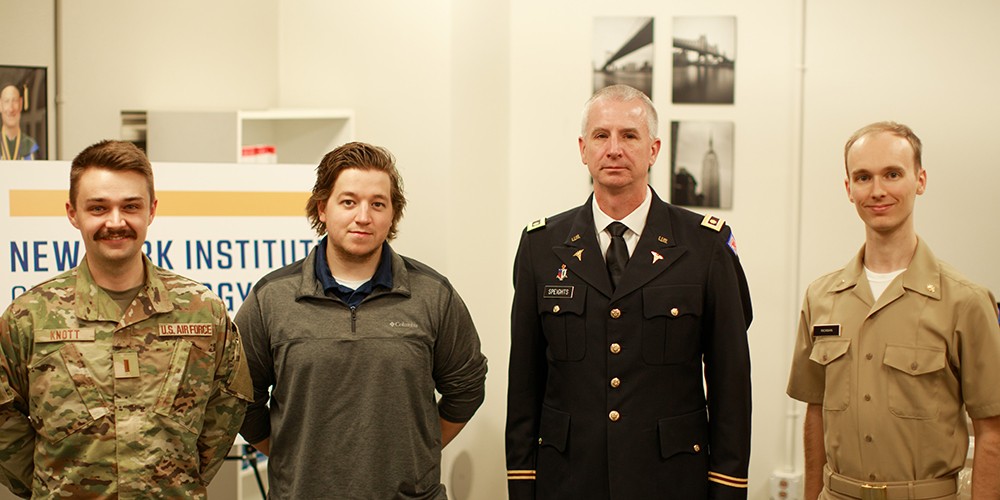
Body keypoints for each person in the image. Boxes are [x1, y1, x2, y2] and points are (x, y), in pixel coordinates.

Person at [506, 84, 753, 499]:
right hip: (568, 480)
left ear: (654, 150)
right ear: (583, 149)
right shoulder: (541, 247)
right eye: (602, 136)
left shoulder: (705, 246)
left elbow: (731, 384)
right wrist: (522, 485)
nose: (614, 149)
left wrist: (727, 488)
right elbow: (525, 382)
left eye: (630, 135)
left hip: (670, 482)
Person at [0, 140, 253, 498]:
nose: (115, 222)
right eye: (98, 208)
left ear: (151, 210)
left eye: (130, 206)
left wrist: (174, 480)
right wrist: (51, 482)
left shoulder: (202, 310)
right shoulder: (30, 316)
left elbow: (227, 404)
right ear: (73, 213)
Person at [237, 141, 488, 499]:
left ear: (392, 214)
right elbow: (241, 399)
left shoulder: (433, 294)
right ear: (323, 208)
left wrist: (419, 451)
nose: (364, 217)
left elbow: (467, 388)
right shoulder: (271, 298)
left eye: (378, 204)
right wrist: (290, 456)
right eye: (349, 201)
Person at [786, 121, 1000, 499]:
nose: (878, 190)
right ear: (848, 189)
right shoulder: (821, 298)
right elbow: (815, 415)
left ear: (920, 180)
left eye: (893, 174)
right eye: (863, 177)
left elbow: (991, 430)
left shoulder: (966, 301)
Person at [0, 85, 39, 160]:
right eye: (6, 101)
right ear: (0, 105)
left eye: (14, 101)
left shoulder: (30, 146)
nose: (11, 109)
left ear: (21, 104)